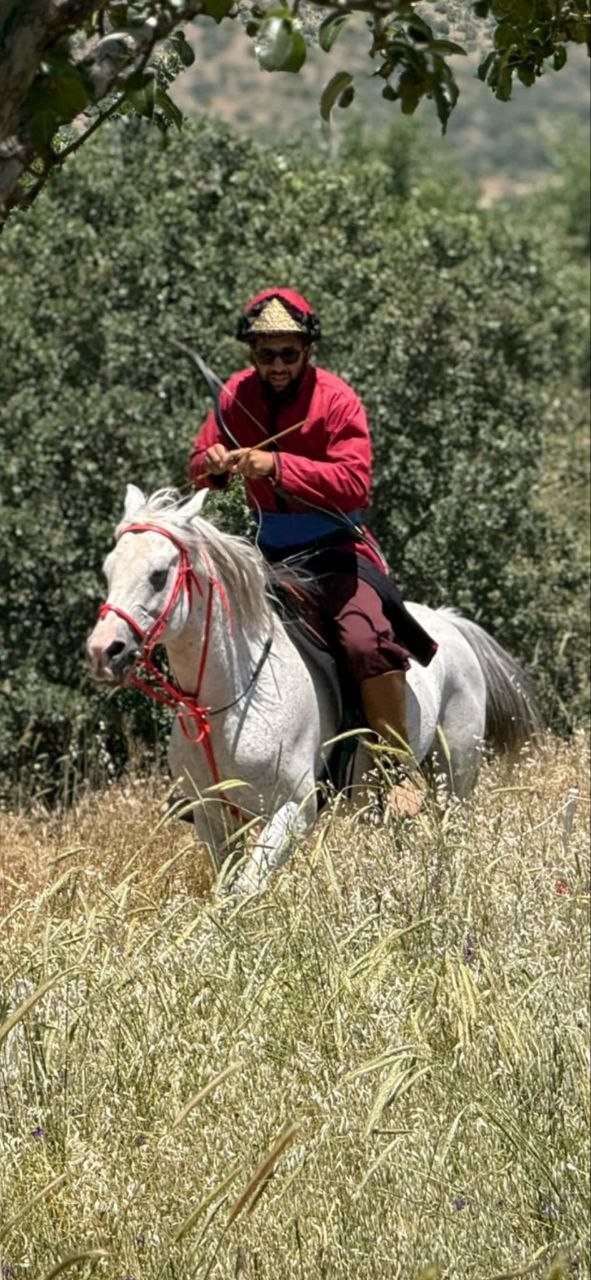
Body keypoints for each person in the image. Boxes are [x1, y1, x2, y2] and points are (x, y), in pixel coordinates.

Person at [189, 287, 437, 816]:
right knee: (209, 633)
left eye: (288, 354)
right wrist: (211, 463)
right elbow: (199, 466)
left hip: (335, 550)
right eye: (265, 354)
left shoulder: (338, 399)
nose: (277, 365)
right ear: (252, 354)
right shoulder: (235, 395)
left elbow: (354, 483)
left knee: (364, 640)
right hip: (268, 554)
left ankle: (396, 770)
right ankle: (201, 773)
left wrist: (275, 466)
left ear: (307, 350)